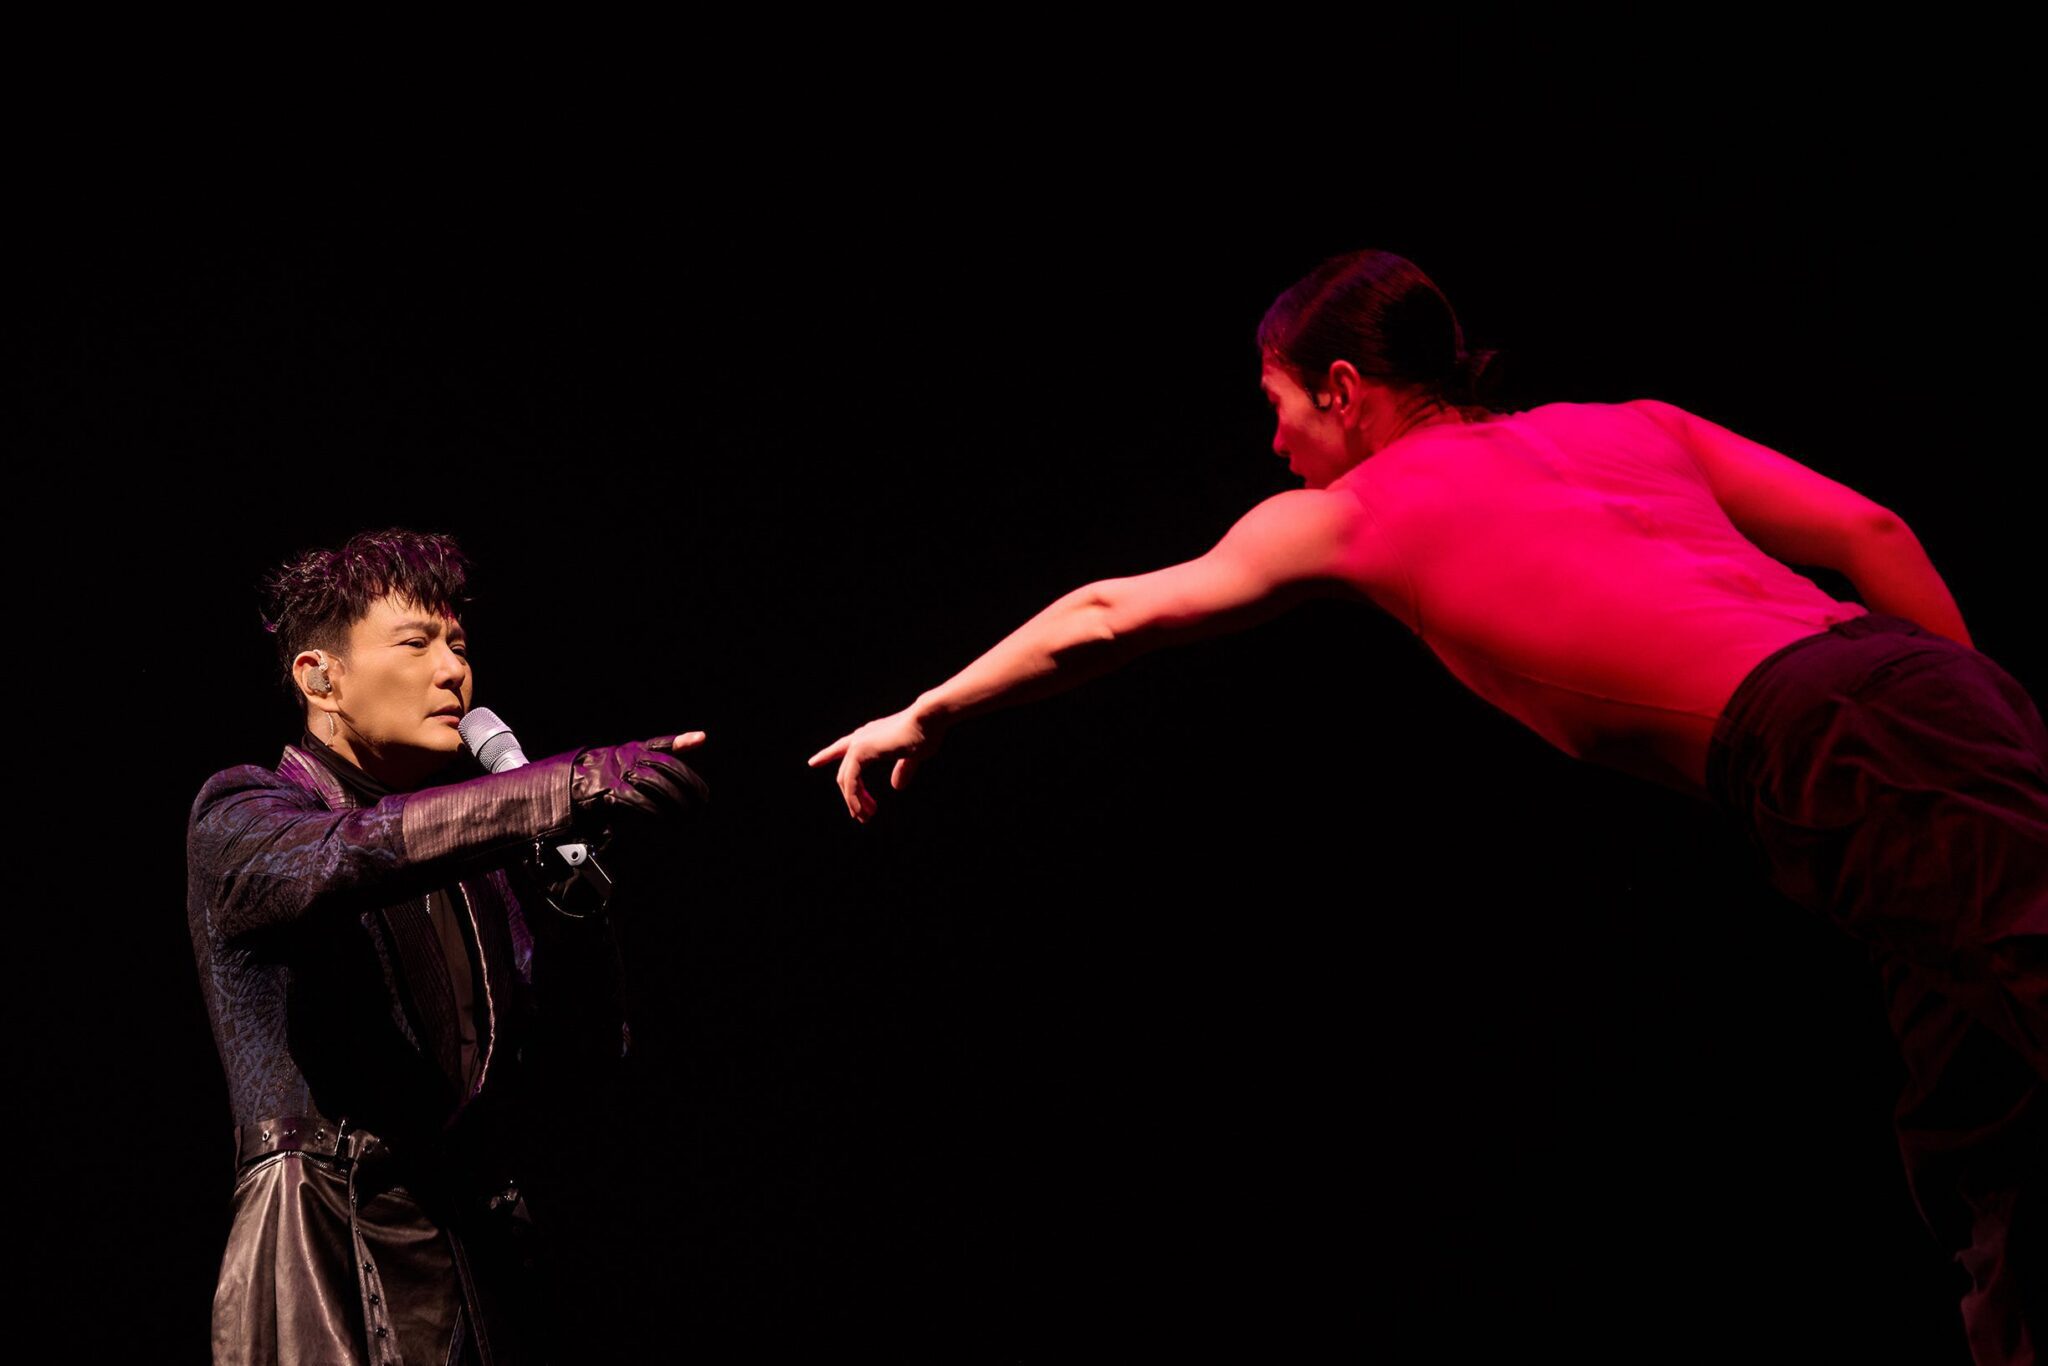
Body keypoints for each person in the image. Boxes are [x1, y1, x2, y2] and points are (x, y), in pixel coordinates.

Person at [809, 250, 2045, 1362]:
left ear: (1341, 388)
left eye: (1279, 406)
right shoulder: (1631, 427)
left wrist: (928, 708)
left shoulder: (1354, 512)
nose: (1275, 444)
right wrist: (1973, 717)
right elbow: (1869, 529)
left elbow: (1106, 612)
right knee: (1987, 1138)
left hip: (1839, 740)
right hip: (1911, 697)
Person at [187, 528, 708, 1366]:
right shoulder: (242, 812)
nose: (451, 670)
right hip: (325, 1256)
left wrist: (573, 908)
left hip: (473, 1266)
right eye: (415, 643)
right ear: (320, 677)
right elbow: (342, 857)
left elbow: (572, 1070)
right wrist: (556, 786)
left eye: (458, 645)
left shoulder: (479, 869)